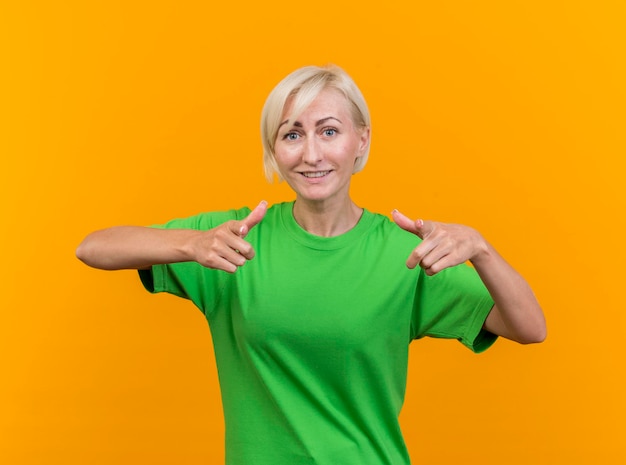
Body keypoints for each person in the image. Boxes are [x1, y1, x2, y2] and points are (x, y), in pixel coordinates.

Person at [76, 64, 546, 465]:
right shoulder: (231, 241)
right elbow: (93, 248)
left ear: (360, 141)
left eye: (329, 131)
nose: (311, 154)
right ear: (274, 151)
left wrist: (482, 250)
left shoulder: (403, 252)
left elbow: (529, 326)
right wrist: (190, 244)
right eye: (292, 134)